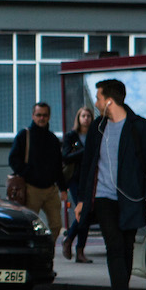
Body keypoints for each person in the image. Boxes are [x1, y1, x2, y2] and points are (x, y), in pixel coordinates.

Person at [74, 79, 146, 290]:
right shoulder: (97, 128)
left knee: (126, 247)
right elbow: (88, 164)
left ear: (109, 101)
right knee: (114, 246)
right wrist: (82, 199)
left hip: (131, 198)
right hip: (104, 198)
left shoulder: (139, 127)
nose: (96, 102)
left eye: (99, 98)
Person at [7, 102, 66, 237]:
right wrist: (28, 174)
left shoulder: (53, 139)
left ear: (49, 117)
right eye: (38, 115)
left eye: (45, 115)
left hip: (51, 190)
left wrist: (63, 188)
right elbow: (13, 159)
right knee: (29, 225)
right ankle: (31, 255)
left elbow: (58, 166)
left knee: (56, 225)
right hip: (31, 189)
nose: (42, 118)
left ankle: (47, 254)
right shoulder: (24, 135)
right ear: (33, 116)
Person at [61, 106, 96, 263]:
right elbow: (66, 157)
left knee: (86, 214)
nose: (86, 118)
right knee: (82, 212)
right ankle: (70, 241)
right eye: (83, 115)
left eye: (88, 115)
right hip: (75, 179)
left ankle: (78, 248)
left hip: (91, 179)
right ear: (78, 118)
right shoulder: (71, 136)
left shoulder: (95, 135)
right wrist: (85, 151)